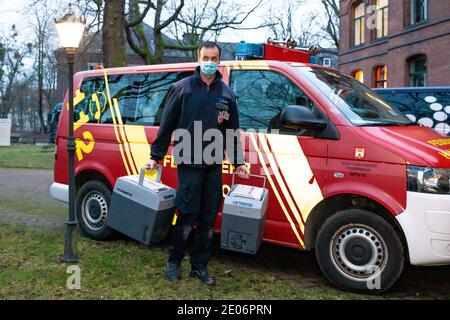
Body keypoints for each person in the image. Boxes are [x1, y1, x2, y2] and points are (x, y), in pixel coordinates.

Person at [146, 42, 250, 285]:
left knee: (208, 216)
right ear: (198, 57)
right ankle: (174, 261)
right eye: (205, 56)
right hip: (189, 163)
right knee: (186, 214)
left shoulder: (226, 94)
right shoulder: (182, 88)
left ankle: (199, 266)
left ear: (220, 61)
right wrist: (155, 156)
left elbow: (232, 132)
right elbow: (167, 125)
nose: (209, 61)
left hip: (213, 165)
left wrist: (238, 163)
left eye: (214, 57)